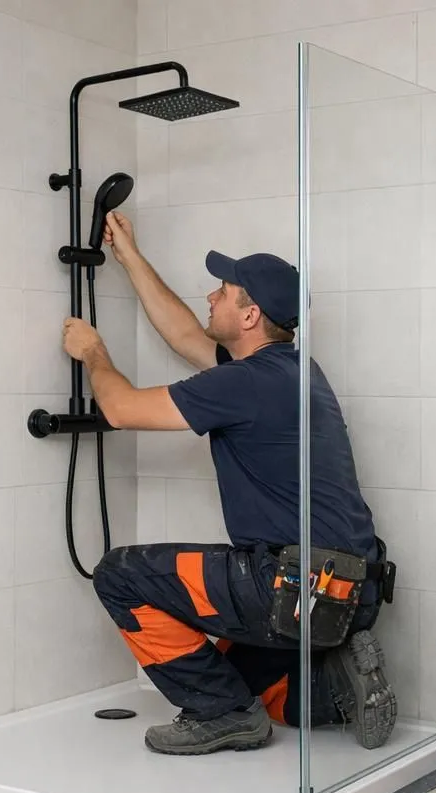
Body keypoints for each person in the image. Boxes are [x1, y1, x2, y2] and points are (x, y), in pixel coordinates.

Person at [61, 209, 396, 756]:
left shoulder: (242, 385)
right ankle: (336, 686)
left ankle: (220, 716)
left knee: (120, 574)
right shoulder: (294, 370)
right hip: (347, 589)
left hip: (294, 585)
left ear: (251, 315)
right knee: (256, 685)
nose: (210, 297)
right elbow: (187, 335)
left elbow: (119, 409)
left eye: (223, 291)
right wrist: (130, 258)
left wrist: (93, 353)